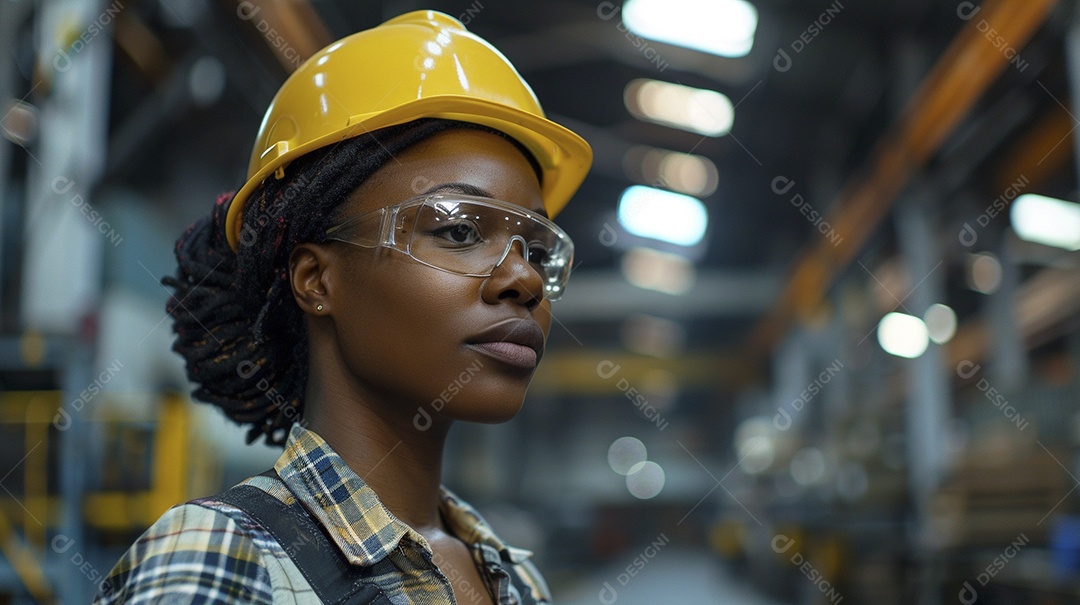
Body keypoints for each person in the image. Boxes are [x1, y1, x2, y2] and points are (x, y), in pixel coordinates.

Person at [94, 9, 591, 604]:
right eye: (459, 231)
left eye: (538, 250)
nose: (525, 278)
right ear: (316, 280)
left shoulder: (516, 581)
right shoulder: (221, 560)